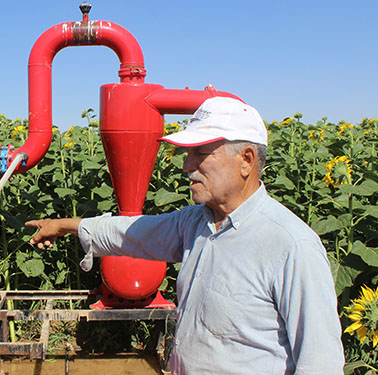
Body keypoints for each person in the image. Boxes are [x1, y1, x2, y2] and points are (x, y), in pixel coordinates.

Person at [25, 97, 345, 374]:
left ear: (246, 160)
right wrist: (66, 225)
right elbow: (131, 233)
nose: (186, 166)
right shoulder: (196, 223)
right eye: (187, 154)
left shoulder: (290, 245)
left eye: (200, 154)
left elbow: (320, 363)